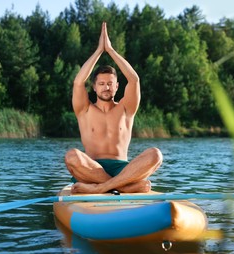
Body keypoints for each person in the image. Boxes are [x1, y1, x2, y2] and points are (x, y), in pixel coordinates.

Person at [65, 22, 163, 194]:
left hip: (123, 170)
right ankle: (124, 187)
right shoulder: (84, 110)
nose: (106, 87)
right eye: (101, 84)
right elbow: (78, 82)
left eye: (110, 84)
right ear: (94, 87)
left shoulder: (126, 109)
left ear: (117, 86)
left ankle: (102, 188)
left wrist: (110, 50)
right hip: (91, 170)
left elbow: (134, 80)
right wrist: (98, 51)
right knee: (72, 156)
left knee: (156, 155)